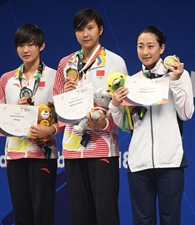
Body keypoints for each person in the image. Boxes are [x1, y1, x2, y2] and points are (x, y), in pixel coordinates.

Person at [109, 26, 195, 225]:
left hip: (170, 162)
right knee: (142, 221)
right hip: (139, 163)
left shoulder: (180, 75)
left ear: (162, 48)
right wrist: (115, 104)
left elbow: (186, 113)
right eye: (140, 47)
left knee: (170, 220)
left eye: (150, 46)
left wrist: (175, 82)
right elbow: (126, 125)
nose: (145, 52)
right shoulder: (131, 82)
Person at [52, 8, 128, 225]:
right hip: (73, 148)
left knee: (105, 214)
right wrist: (67, 97)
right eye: (80, 29)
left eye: (90, 28)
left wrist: (104, 122)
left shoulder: (115, 62)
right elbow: (55, 106)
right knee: (79, 214)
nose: (85, 34)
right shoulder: (65, 64)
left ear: (100, 30)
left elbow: (122, 107)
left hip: (103, 147)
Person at [0, 24, 59, 225]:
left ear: (41, 46)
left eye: (30, 44)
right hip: (15, 154)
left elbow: (62, 114)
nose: (25, 50)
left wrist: (51, 129)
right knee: (21, 213)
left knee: (43, 211)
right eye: (21, 45)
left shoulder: (54, 76)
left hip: (43, 153)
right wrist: (14, 111)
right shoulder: (7, 79)